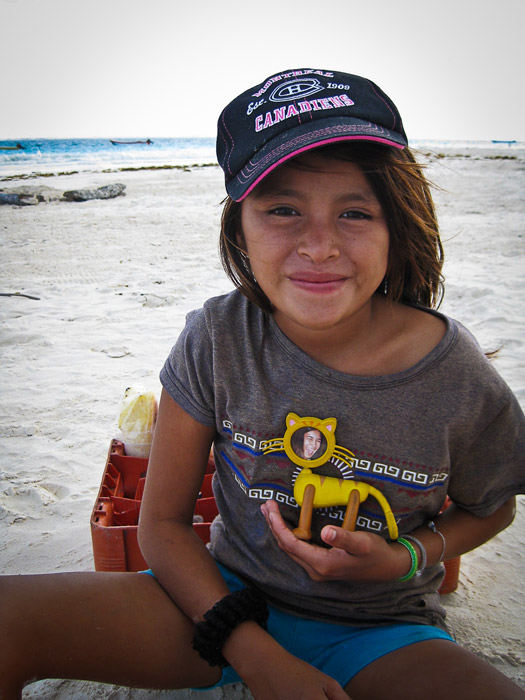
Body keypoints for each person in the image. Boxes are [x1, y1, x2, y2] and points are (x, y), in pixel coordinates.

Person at [1, 68, 524, 700]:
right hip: (217, 604)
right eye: (283, 209)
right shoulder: (218, 338)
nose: (320, 246)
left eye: (355, 212)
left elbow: (492, 503)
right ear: (239, 228)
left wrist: (408, 556)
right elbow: (162, 526)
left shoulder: (455, 374)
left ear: (399, 225)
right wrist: (253, 653)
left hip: (382, 632)